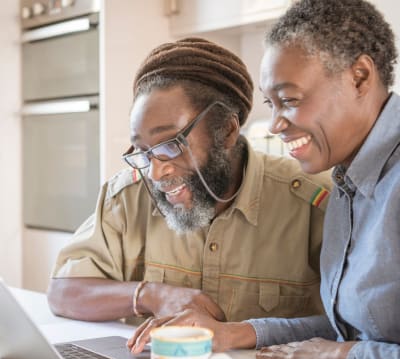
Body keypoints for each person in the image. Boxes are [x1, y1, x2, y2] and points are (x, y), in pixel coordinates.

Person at [129, 1, 400, 359]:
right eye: (271, 105)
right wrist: (232, 333)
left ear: (359, 76)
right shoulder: (347, 181)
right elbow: (358, 330)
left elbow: (349, 346)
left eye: (289, 100)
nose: (274, 125)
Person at [47, 38, 331, 335]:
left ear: (227, 131)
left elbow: (356, 328)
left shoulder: (313, 201)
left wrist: (246, 334)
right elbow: (63, 292)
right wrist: (151, 295)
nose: (156, 173)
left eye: (170, 146)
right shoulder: (129, 196)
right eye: (144, 151)